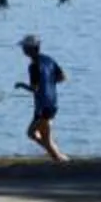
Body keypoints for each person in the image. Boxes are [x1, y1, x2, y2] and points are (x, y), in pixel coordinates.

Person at [18, 34, 67, 163]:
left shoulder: (33, 66)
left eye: (25, 47)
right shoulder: (49, 60)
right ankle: (58, 158)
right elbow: (62, 77)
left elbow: (34, 88)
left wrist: (21, 85)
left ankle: (61, 160)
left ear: (31, 49)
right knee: (39, 135)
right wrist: (49, 83)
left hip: (43, 106)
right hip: (51, 103)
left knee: (36, 135)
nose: (23, 49)